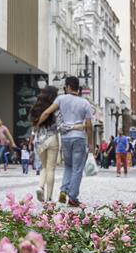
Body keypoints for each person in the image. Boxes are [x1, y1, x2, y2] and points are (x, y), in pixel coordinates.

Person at [39, 77, 93, 206]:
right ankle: (73, 197)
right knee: (77, 169)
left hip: (65, 138)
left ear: (68, 87)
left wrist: (37, 125)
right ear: (78, 88)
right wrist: (90, 143)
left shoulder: (60, 99)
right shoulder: (85, 103)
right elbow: (89, 125)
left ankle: (64, 190)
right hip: (79, 137)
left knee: (68, 166)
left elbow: (46, 113)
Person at [30, 86, 59, 202]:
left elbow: (33, 125)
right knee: (51, 168)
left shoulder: (35, 108)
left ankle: (40, 186)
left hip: (39, 140)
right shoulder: (56, 107)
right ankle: (49, 197)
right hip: (52, 138)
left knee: (44, 167)